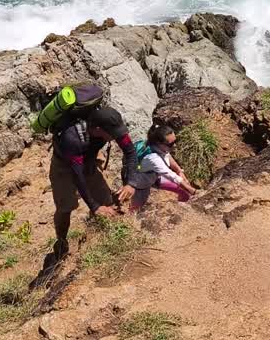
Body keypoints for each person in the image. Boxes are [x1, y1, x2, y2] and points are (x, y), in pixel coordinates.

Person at [47, 106, 137, 263]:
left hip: (88, 158)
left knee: (107, 201)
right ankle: (61, 241)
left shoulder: (111, 126)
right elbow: (77, 175)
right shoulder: (72, 138)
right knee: (65, 207)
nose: (115, 137)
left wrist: (130, 182)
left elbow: (130, 151)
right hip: (63, 165)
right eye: (111, 135)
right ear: (96, 129)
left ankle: (100, 236)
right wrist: (94, 206)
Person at [127, 124, 197, 212]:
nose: (174, 146)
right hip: (140, 182)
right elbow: (170, 175)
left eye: (175, 141)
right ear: (159, 144)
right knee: (135, 209)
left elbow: (168, 156)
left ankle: (180, 208)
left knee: (184, 192)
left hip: (153, 176)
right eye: (171, 144)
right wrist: (193, 191)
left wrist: (179, 171)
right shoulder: (153, 158)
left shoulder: (158, 146)